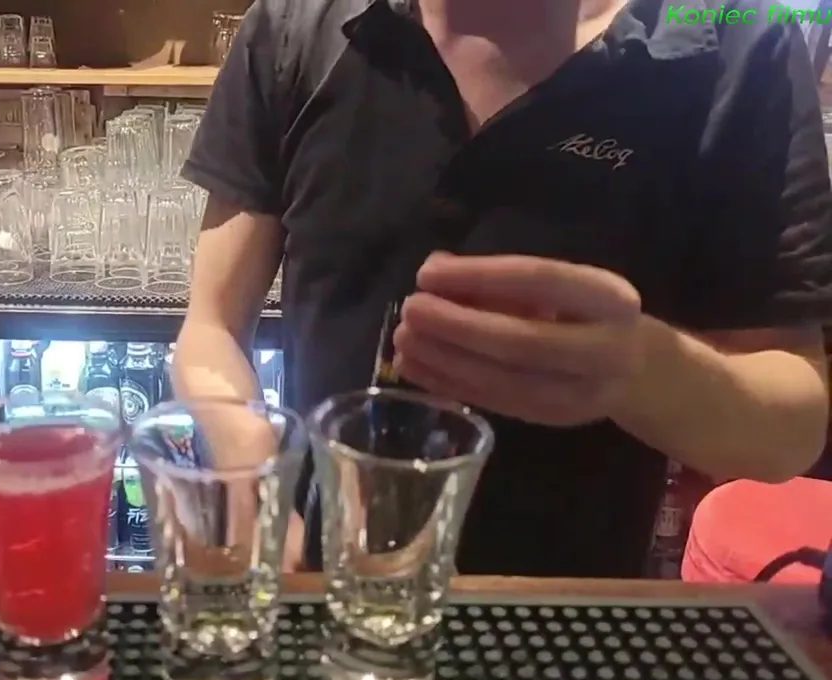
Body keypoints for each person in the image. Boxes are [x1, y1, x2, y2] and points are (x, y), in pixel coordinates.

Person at [171, 0, 832, 577]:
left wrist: (639, 368)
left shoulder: (735, 38)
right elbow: (211, 329)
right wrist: (254, 473)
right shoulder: (296, 25)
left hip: (568, 624)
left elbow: (792, 426)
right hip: (334, 590)